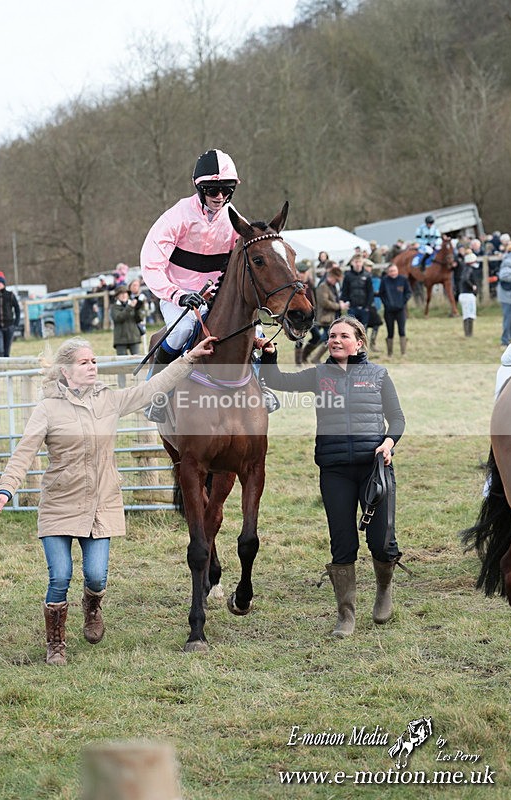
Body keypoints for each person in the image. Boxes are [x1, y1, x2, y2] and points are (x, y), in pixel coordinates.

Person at [0, 334, 216, 665]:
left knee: (96, 577)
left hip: (101, 504)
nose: (92, 366)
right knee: (60, 576)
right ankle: (56, 644)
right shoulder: (47, 409)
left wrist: (190, 357)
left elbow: (152, 388)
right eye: (84, 362)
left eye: (94, 361)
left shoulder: (108, 400)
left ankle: (92, 606)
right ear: (66, 372)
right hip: (58, 504)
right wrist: (6, 489)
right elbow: (25, 452)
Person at [259, 316, 405, 637]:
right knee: (343, 542)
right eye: (331, 336)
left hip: (374, 468)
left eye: (342, 335)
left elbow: (396, 418)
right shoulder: (318, 374)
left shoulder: (378, 375)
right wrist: (269, 355)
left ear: (359, 342)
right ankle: (346, 614)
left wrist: (388, 442)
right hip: (334, 469)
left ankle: (383, 589)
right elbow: (277, 380)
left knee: (381, 542)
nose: (335, 340)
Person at [140, 148, 277, 415]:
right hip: (178, 295)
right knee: (182, 329)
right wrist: (178, 294)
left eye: (226, 190)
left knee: (255, 332)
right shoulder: (175, 217)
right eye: (213, 190)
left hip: (217, 296)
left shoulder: (234, 220)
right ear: (199, 187)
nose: (220, 197)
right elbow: (151, 264)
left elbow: (245, 260)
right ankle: (155, 391)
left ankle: (261, 385)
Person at [111, 284, 146, 387]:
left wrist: (138, 307)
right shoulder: (114, 307)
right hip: (120, 340)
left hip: (134, 338)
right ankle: (122, 387)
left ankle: (140, 385)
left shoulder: (132, 304)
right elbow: (118, 318)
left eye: (125, 293)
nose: (124, 295)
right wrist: (130, 307)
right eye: (121, 294)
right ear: (117, 296)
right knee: (121, 365)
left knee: (137, 364)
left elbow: (139, 318)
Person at [379, 263, 412, 356]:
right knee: (390, 332)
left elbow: (408, 293)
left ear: (397, 271)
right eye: (391, 271)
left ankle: (403, 352)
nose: (393, 273)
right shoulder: (384, 281)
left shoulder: (403, 279)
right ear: (388, 272)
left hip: (400, 310)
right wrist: (386, 304)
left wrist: (402, 302)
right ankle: (390, 353)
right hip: (389, 310)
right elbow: (381, 294)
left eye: (394, 271)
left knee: (402, 330)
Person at [340, 254, 374, 327]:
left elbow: (370, 292)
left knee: (363, 330)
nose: (358, 264)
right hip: (352, 308)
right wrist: (345, 302)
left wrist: (367, 306)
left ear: (362, 263)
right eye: (356, 262)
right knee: (352, 329)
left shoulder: (367, 275)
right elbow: (344, 291)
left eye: (359, 262)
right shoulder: (348, 276)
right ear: (352, 262)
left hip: (364, 308)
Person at [363, 260, 383, 352]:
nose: (369, 268)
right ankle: (364, 346)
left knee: (377, 323)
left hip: (371, 304)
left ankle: (372, 344)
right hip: (363, 304)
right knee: (363, 326)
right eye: (368, 266)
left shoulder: (370, 277)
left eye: (370, 267)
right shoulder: (361, 277)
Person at [458, 252, 479, 337]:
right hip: (468, 295)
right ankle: (469, 333)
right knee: (469, 315)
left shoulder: (464, 269)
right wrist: (472, 286)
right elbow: (466, 279)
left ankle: (468, 333)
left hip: (464, 295)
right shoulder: (469, 269)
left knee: (467, 314)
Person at [497, 244, 511, 346]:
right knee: (508, 318)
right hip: (508, 296)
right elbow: (504, 276)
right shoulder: (508, 261)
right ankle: (504, 340)